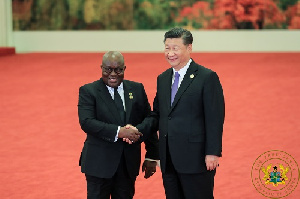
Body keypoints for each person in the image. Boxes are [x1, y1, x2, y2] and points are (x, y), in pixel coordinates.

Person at [152, 27, 225, 199]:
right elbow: (158, 114)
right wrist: (135, 129)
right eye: (167, 48)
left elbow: (215, 117)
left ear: (189, 48)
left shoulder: (207, 77)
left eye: (175, 48)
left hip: (196, 159)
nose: (170, 53)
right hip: (168, 158)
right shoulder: (162, 78)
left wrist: (212, 152)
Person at [78, 51, 159, 199]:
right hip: (98, 165)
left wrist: (152, 155)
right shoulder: (89, 91)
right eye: (108, 69)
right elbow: (87, 122)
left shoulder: (137, 89)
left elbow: (150, 120)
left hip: (127, 165)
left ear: (124, 69)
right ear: (101, 68)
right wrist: (119, 132)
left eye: (118, 69)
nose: (113, 74)